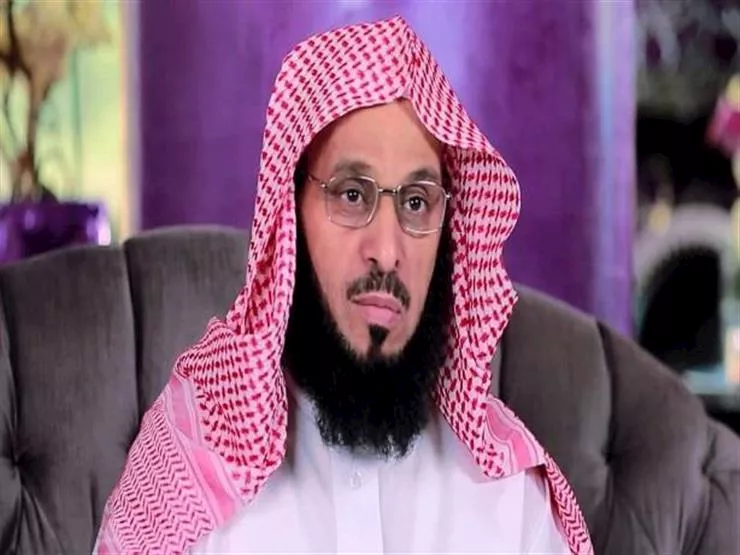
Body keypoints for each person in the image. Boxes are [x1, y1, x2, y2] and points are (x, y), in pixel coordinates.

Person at [94, 16, 593, 554]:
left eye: (417, 202)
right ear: (290, 218)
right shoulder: (187, 474)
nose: (387, 248)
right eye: (352, 195)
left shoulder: (512, 502)